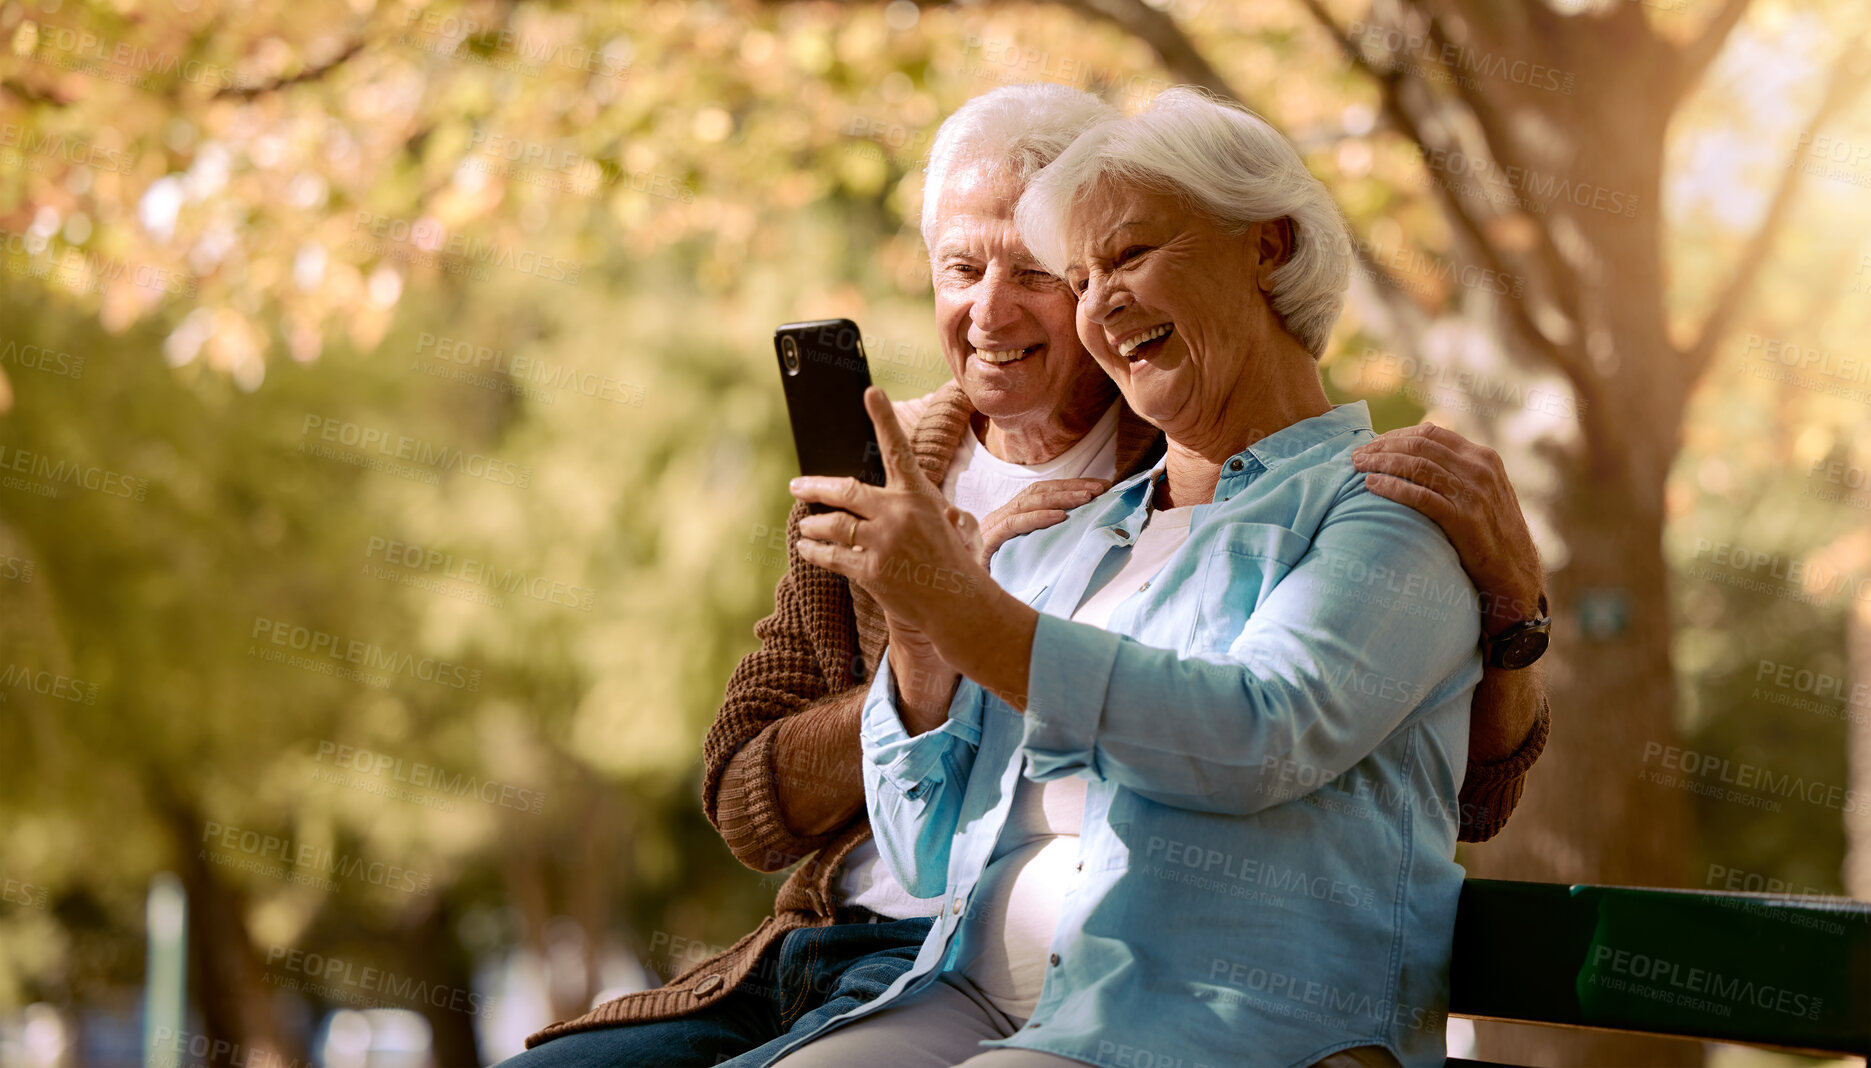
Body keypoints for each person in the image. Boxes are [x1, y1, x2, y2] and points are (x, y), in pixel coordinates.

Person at [509, 84, 1549, 1068]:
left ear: (1260, 250)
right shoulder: (936, 490)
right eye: (963, 270)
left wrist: (1513, 619)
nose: (999, 310)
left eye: (1059, 269)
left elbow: (1405, 774)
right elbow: (756, 802)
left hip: (1125, 993)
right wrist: (925, 639)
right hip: (880, 957)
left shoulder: (1269, 476)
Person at [770, 86, 1494, 1068]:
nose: (1096, 302)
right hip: (966, 999)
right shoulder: (1075, 532)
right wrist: (921, 630)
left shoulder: (1384, 509)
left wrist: (972, 613)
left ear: (1264, 247)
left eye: (1128, 255)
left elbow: (1256, 739)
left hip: (1223, 1029)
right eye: (1078, 275)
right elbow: (924, 851)